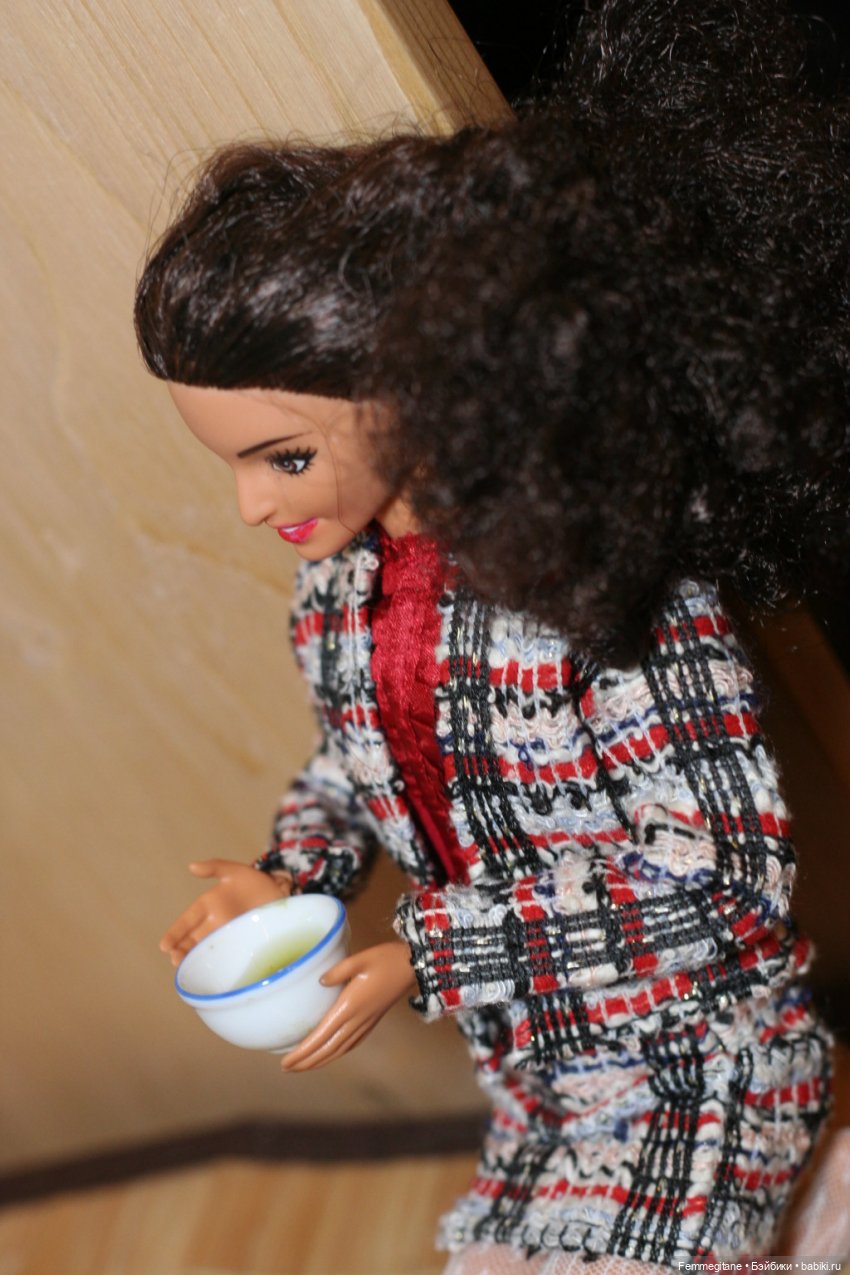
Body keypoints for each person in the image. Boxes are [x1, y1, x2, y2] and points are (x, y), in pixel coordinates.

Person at [134, 0, 850, 1268]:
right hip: (537, 1063)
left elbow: (720, 888)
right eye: (234, 463)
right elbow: (354, 763)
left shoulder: (605, 586)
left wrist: (428, 950)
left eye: (283, 457)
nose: (252, 506)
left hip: (695, 1054)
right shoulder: (342, 591)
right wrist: (293, 886)